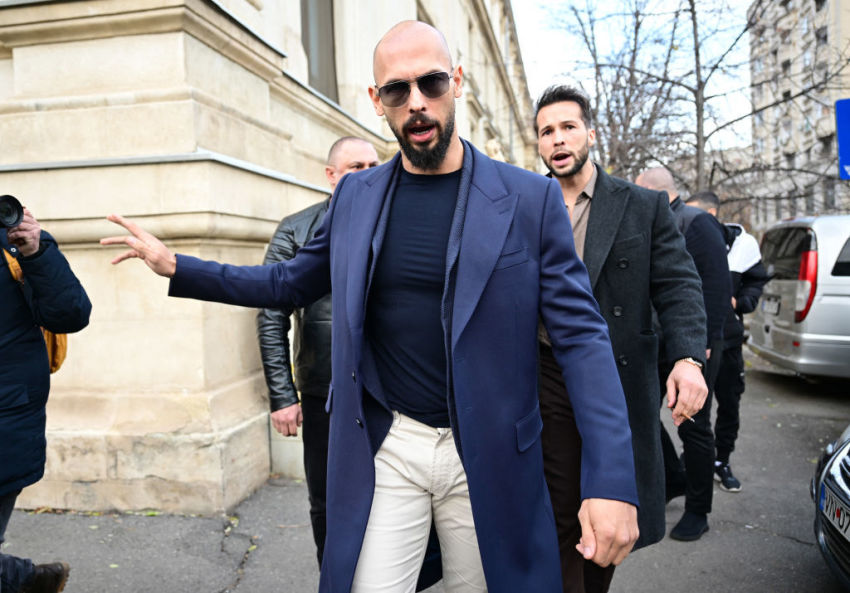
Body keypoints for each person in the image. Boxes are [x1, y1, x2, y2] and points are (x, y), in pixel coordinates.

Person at [101, 21, 640, 593]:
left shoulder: (528, 199)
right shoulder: (356, 196)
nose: (416, 103)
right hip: (390, 444)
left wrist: (611, 480)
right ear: (375, 100)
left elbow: (582, 338)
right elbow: (287, 282)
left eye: (431, 83)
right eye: (396, 90)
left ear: (457, 83)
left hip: (488, 453)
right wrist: (177, 265)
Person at [534, 85, 708, 593]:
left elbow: (679, 284)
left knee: (609, 514)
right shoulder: (525, 203)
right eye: (547, 131)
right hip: (544, 377)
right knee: (562, 511)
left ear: (590, 132)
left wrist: (687, 359)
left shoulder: (642, 206)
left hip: (617, 381)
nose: (558, 139)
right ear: (540, 145)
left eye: (568, 127)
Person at [257, 136, 379, 565]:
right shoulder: (297, 228)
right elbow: (271, 314)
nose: (368, 175)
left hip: (391, 388)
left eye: (373, 165)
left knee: (394, 496)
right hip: (323, 390)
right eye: (355, 168)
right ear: (332, 176)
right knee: (327, 497)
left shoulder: (398, 223)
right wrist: (283, 395)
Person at [635, 168, 732, 542]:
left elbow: (715, 285)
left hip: (694, 346)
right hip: (657, 342)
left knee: (693, 425)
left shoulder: (697, 222)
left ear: (656, 194)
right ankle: (673, 478)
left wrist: (700, 344)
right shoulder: (655, 220)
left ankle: (698, 510)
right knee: (641, 413)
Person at [1, 203, 91, 593]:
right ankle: (26, 580)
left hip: (6, 424)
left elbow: (70, 313)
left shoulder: (14, 240)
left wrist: (37, 250)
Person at [685, 190, 768, 493]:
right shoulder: (688, 241)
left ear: (710, 214)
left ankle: (722, 460)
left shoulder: (744, 245)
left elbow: (757, 280)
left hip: (730, 342)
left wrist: (741, 302)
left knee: (729, 404)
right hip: (699, 342)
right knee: (696, 411)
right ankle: (694, 462)